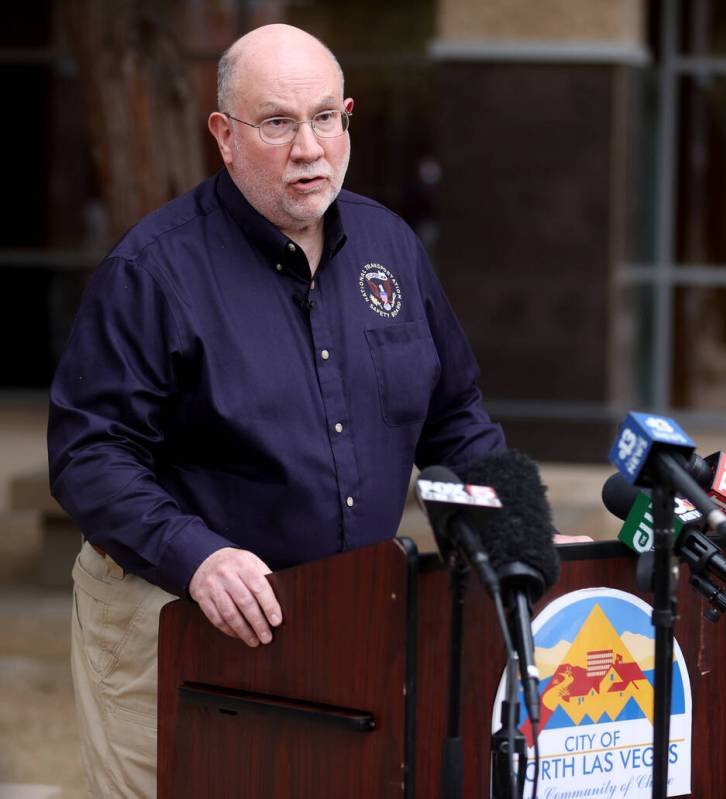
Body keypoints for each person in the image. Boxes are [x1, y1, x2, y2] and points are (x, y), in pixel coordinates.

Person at [48, 23, 508, 796]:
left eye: (326, 117)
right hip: (174, 616)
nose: (309, 147)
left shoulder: (390, 250)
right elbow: (90, 454)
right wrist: (198, 555)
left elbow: (454, 416)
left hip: (347, 621)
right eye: (277, 123)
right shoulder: (152, 272)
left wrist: (510, 521)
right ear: (224, 136)